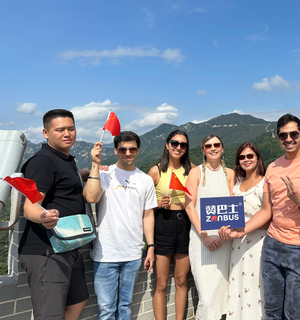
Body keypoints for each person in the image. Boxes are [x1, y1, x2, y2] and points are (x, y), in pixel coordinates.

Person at [220, 113, 300, 320]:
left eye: (293, 134)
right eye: (283, 135)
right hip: (273, 245)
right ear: (278, 138)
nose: (288, 139)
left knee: (296, 314)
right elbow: (266, 210)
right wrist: (242, 229)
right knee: (271, 312)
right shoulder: (273, 168)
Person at [19, 109, 88, 320]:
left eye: (71, 128)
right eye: (60, 130)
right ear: (45, 133)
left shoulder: (64, 159)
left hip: (68, 244)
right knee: (49, 315)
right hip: (46, 251)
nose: (67, 133)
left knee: (78, 300)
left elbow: (63, 181)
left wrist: (92, 172)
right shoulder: (43, 161)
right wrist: (44, 218)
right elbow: (30, 206)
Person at [83, 131, 157, 320]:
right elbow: (90, 197)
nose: (127, 153)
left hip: (133, 253)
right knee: (106, 309)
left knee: (125, 306)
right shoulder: (105, 174)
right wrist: (96, 164)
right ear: (115, 150)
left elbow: (147, 215)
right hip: (106, 253)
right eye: (122, 149)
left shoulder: (145, 180)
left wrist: (150, 247)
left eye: (132, 149)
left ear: (138, 151)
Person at [185, 134, 235, 320]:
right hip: (201, 241)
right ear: (203, 150)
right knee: (206, 298)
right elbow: (189, 206)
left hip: (225, 242)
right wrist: (204, 235)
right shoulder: (195, 173)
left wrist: (223, 236)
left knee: (224, 293)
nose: (213, 148)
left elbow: (233, 207)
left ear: (222, 148)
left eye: (216, 145)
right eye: (208, 145)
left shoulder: (230, 174)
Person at [147, 130, 193, 320]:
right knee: (161, 284)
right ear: (167, 145)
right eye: (175, 143)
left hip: (185, 225)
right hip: (163, 224)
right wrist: (158, 204)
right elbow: (144, 206)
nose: (178, 148)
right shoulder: (155, 171)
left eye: (183, 145)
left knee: (182, 280)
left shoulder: (192, 169)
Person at [227, 142, 267, 319]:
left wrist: (244, 227)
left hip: (259, 244)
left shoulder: (266, 182)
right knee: (238, 289)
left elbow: (270, 217)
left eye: (250, 156)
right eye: (242, 157)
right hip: (237, 246)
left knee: (257, 290)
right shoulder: (238, 182)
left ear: (258, 158)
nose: (246, 159)